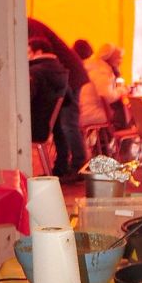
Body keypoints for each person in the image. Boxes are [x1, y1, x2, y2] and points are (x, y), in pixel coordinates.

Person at [27, 18, 88, 180]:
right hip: (65, 74)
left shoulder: (29, 26)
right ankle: (63, 167)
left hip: (70, 76)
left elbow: (39, 46)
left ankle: (79, 167)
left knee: (68, 124)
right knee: (61, 125)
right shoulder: (31, 24)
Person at [27, 37, 69, 144]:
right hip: (46, 126)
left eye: (28, 52)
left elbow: (24, 100)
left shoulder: (35, 72)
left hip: (33, 127)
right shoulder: (60, 70)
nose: (26, 56)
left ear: (39, 52)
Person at [79, 43, 128, 129]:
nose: (121, 61)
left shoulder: (92, 67)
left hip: (81, 112)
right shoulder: (101, 72)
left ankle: (108, 139)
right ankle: (121, 140)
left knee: (122, 111)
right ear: (110, 58)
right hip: (91, 114)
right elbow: (107, 96)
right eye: (119, 58)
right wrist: (122, 90)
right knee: (125, 113)